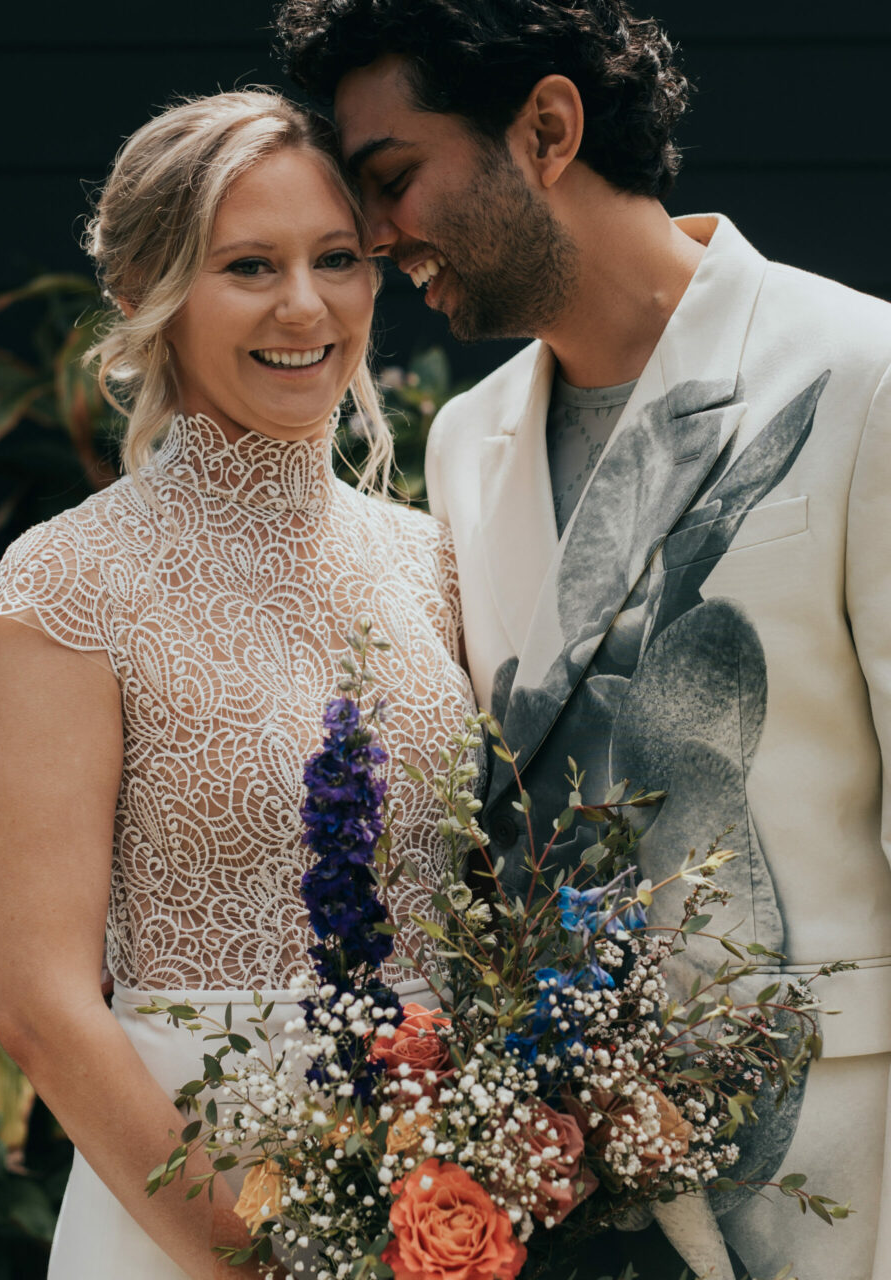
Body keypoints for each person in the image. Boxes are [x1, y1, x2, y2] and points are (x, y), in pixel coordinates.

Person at [276, 3, 891, 1279]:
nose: (378, 241)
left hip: (831, 1146)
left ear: (547, 128)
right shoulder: (463, 438)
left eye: (393, 179)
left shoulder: (858, 370)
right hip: (553, 1166)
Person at [0, 90, 473, 1279]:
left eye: (337, 259)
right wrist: (272, 1254)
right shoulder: (65, 582)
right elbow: (42, 1010)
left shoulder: (437, 561)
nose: (305, 305)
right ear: (157, 293)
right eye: (250, 265)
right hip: (180, 1220)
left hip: (439, 1209)